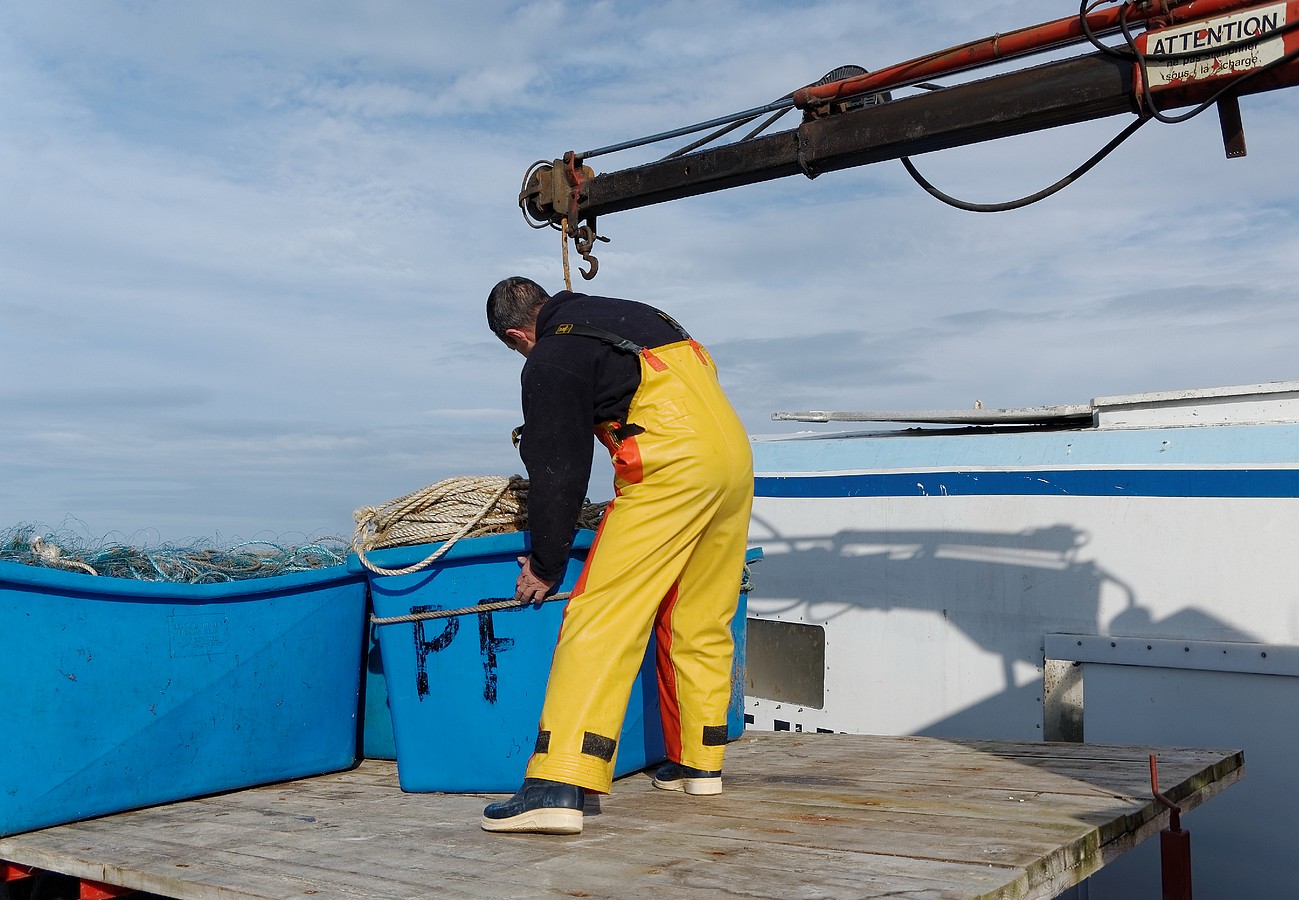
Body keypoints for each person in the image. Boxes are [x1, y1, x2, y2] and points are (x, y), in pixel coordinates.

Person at [480, 276, 753, 835]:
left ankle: (558, 782)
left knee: (600, 615)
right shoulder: (636, 314)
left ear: (516, 335)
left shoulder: (552, 354)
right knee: (700, 615)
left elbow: (559, 467)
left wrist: (546, 563)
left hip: (669, 469)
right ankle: (698, 762)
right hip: (733, 462)